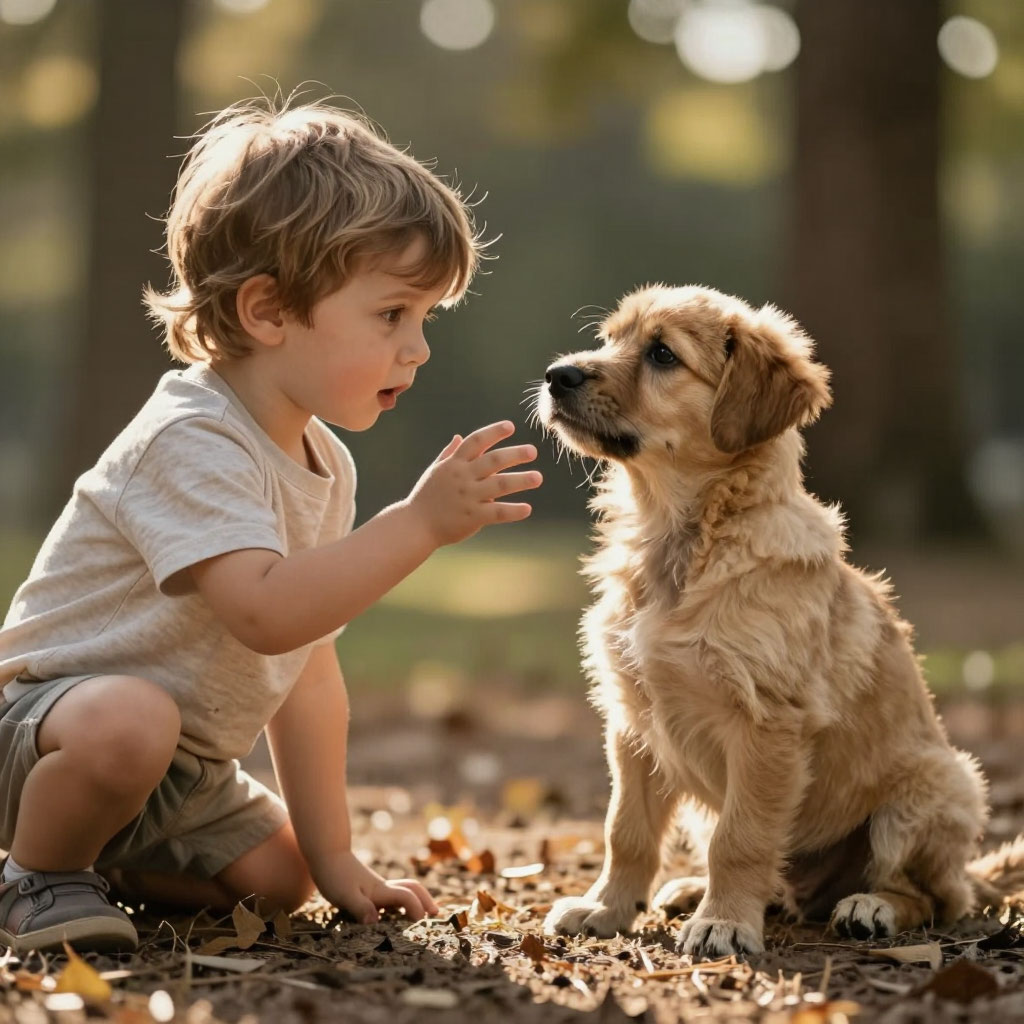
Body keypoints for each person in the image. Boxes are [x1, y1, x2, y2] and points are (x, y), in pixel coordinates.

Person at [0, 99, 541, 955]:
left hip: (180, 773)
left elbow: (307, 667)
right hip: (48, 730)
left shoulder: (325, 462)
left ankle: (94, 863)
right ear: (268, 311)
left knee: (278, 884)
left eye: (426, 319)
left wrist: (334, 855)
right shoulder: (192, 437)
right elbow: (266, 612)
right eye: (393, 314)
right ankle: (38, 875)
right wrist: (417, 526)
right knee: (130, 725)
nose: (419, 348)